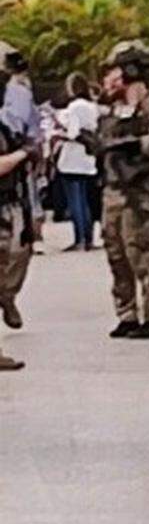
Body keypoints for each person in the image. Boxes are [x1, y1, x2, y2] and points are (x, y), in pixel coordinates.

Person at [98, 41, 149, 340]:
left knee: (141, 253)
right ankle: (126, 314)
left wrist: (136, 145)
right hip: (114, 190)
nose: (108, 79)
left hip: (142, 192)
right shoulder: (114, 110)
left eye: (113, 71)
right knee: (116, 254)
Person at [0, 48, 34, 371]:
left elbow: (31, 131)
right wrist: (23, 154)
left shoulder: (17, 100)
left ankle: (7, 296)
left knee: (20, 254)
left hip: (14, 198)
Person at [57, 72, 99, 251]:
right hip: (87, 158)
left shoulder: (74, 107)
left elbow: (73, 133)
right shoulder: (92, 106)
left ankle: (79, 238)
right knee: (85, 199)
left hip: (72, 157)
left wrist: (61, 132)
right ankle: (89, 238)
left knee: (75, 200)